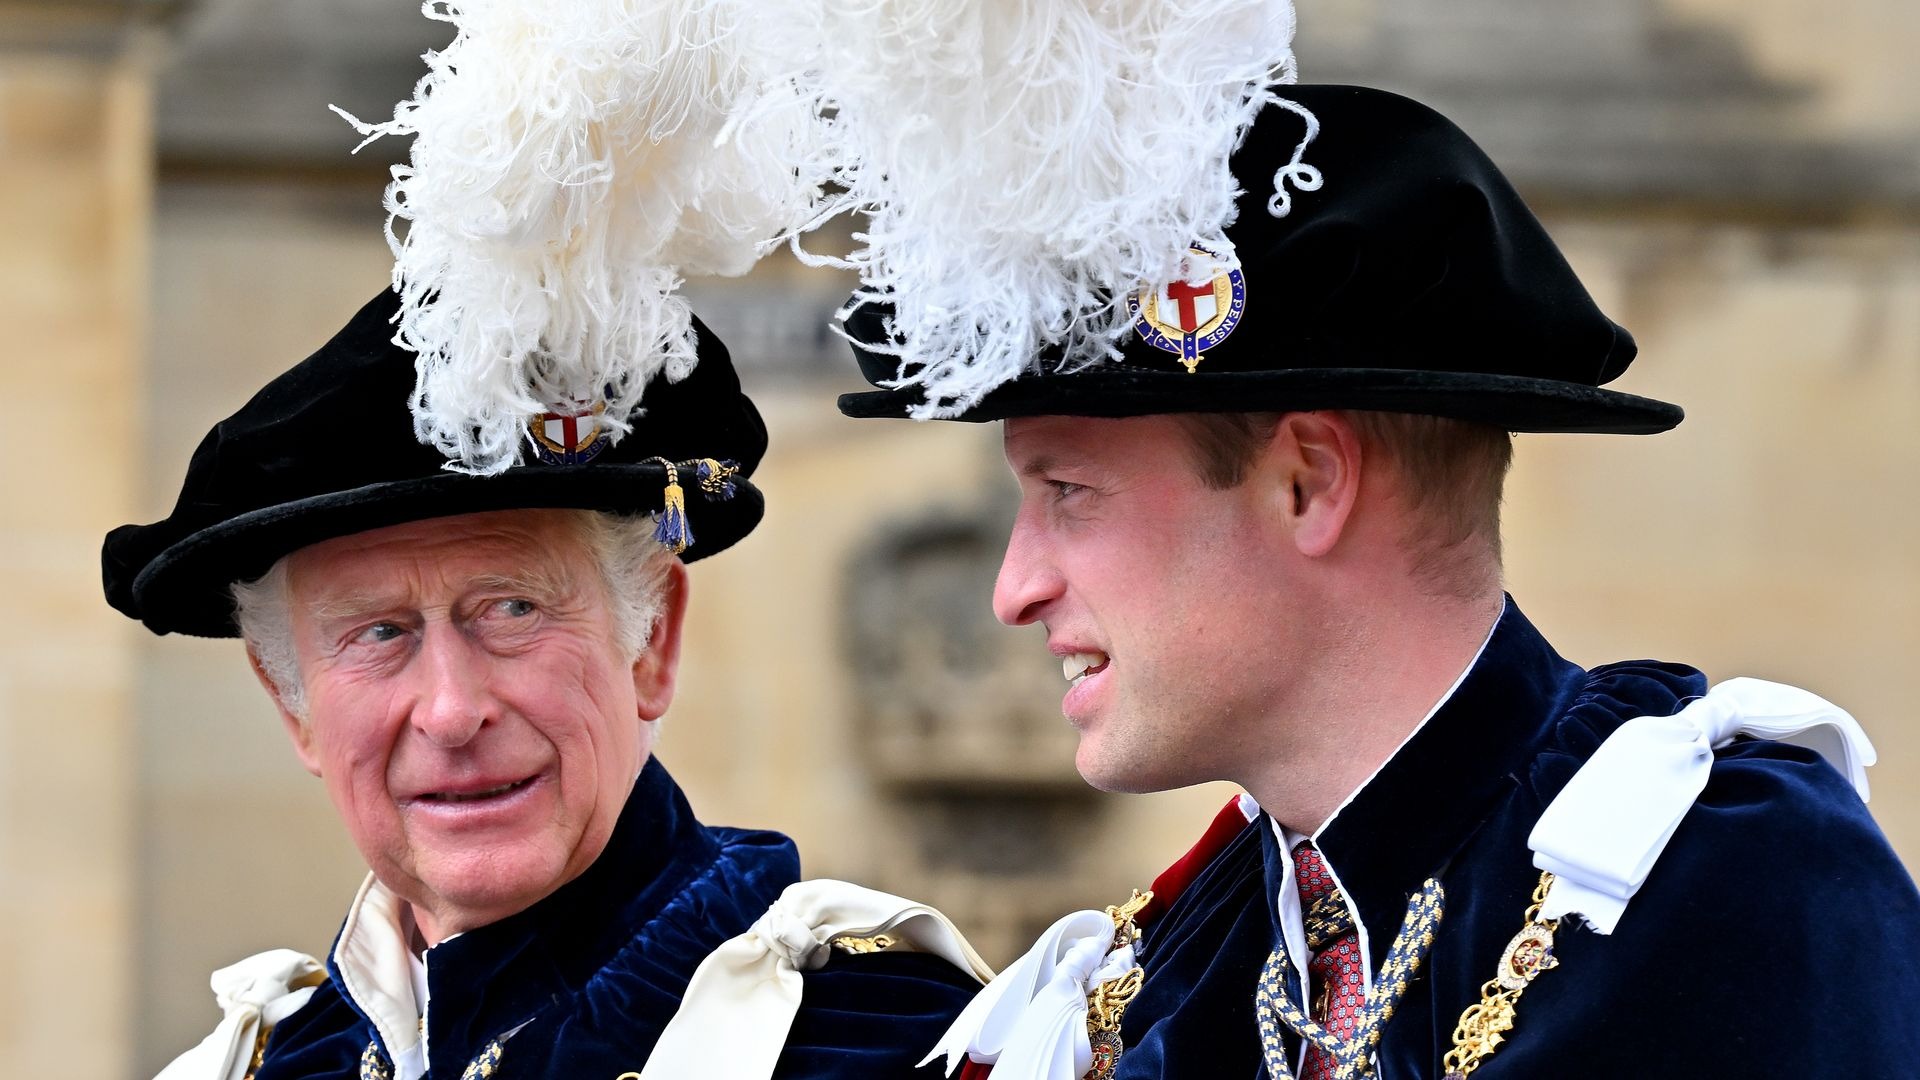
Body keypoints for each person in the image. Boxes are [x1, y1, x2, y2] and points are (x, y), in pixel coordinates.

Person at [832, 83, 1920, 1078]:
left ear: (1306, 485)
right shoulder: (1178, 971)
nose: (1013, 589)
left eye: (1068, 491)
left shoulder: (1724, 890)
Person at [110, 289, 987, 1080]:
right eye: (380, 633)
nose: (452, 712)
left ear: (651, 644)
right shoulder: (261, 1063)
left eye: (512, 610)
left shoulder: (879, 1040)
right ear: (290, 702)